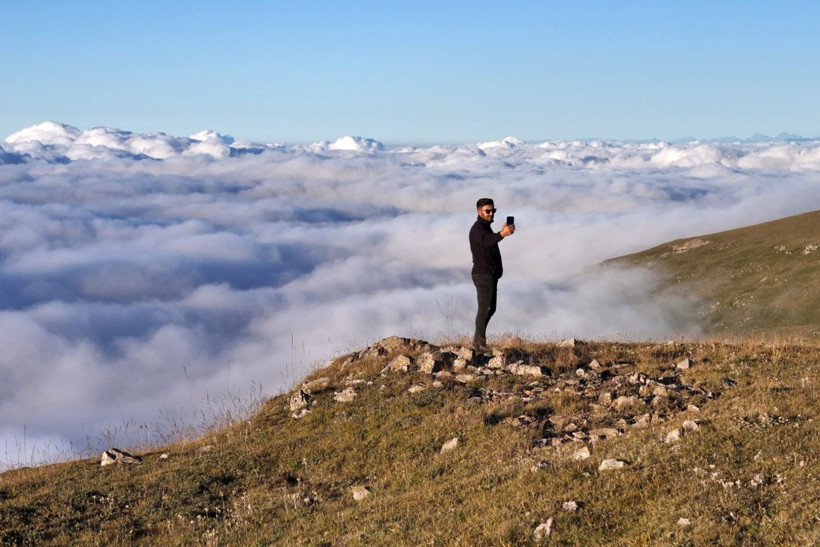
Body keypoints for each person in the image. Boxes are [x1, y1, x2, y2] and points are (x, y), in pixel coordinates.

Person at [469, 198, 514, 349]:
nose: (490, 214)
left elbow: (488, 239)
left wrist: (500, 233)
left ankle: (479, 341)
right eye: (487, 211)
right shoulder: (478, 228)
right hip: (483, 275)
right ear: (478, 211)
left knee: (490, 308)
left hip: (488, 275)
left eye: (493, 210)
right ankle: (479, 344)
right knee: (485, 309)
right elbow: (486, 241)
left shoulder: (484, 227)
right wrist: (502, 234)